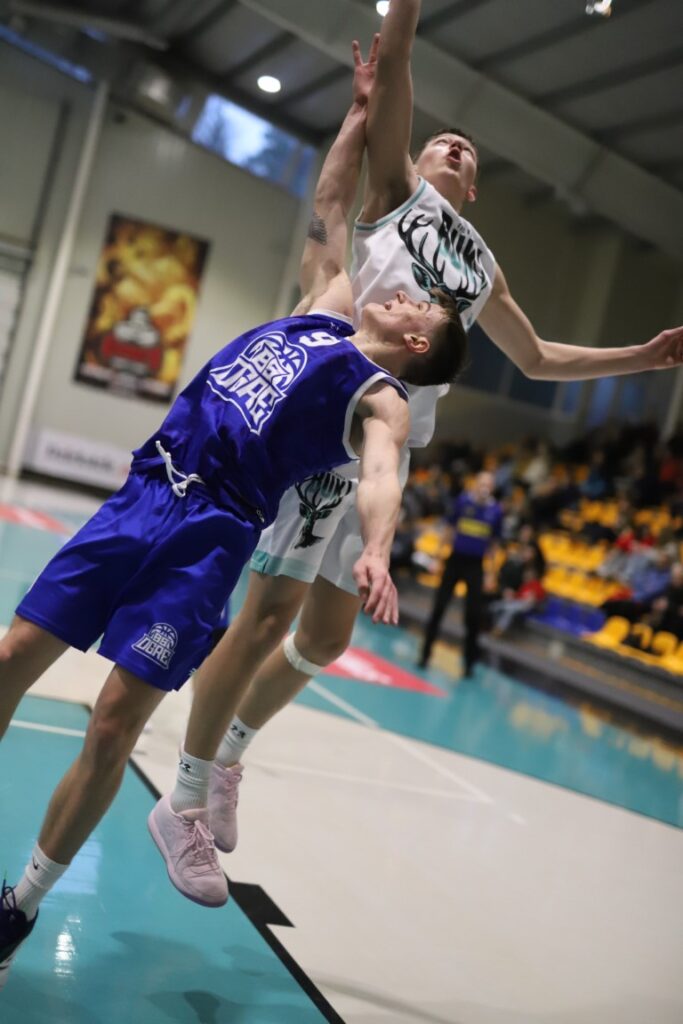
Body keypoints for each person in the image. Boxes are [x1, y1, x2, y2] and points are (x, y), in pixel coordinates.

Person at [164, 0, 683, 868]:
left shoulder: (481, 264)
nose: (454, 145)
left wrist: (641, 355)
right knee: (266, 619)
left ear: (474, 188)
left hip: (391, 447)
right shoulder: (395, 195)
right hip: (331, 423)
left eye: (467, 151)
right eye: (442, 139)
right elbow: (398, 59)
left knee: (323, 641)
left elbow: (539, 358)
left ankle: (229, 757)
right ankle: (184, 787)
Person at [0, 40, 467, 981]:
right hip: (144, 494)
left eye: (418, 301)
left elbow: (383, 475)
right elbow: (329, 203)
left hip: (208, 542)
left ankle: (20, 908)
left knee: (112, 723)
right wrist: (357, 114)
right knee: (11, 660)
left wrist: (375, 549)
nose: (402, 290)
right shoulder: (326, 304)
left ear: (418, 338)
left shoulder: (378, 395)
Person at [419, 471, 502, 673]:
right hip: (455, 561)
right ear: (475, 484)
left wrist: (491, 573)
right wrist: (438, 557)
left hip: (476, 566)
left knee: (473, 615)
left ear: (492, 488)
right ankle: (424, 655)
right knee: (439, 607)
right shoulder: (462, 502)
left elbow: (493, 544)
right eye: (481, 483)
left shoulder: (496, 511)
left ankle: (469, 663)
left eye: (488, 484)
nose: (484, 487)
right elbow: (449, 530)